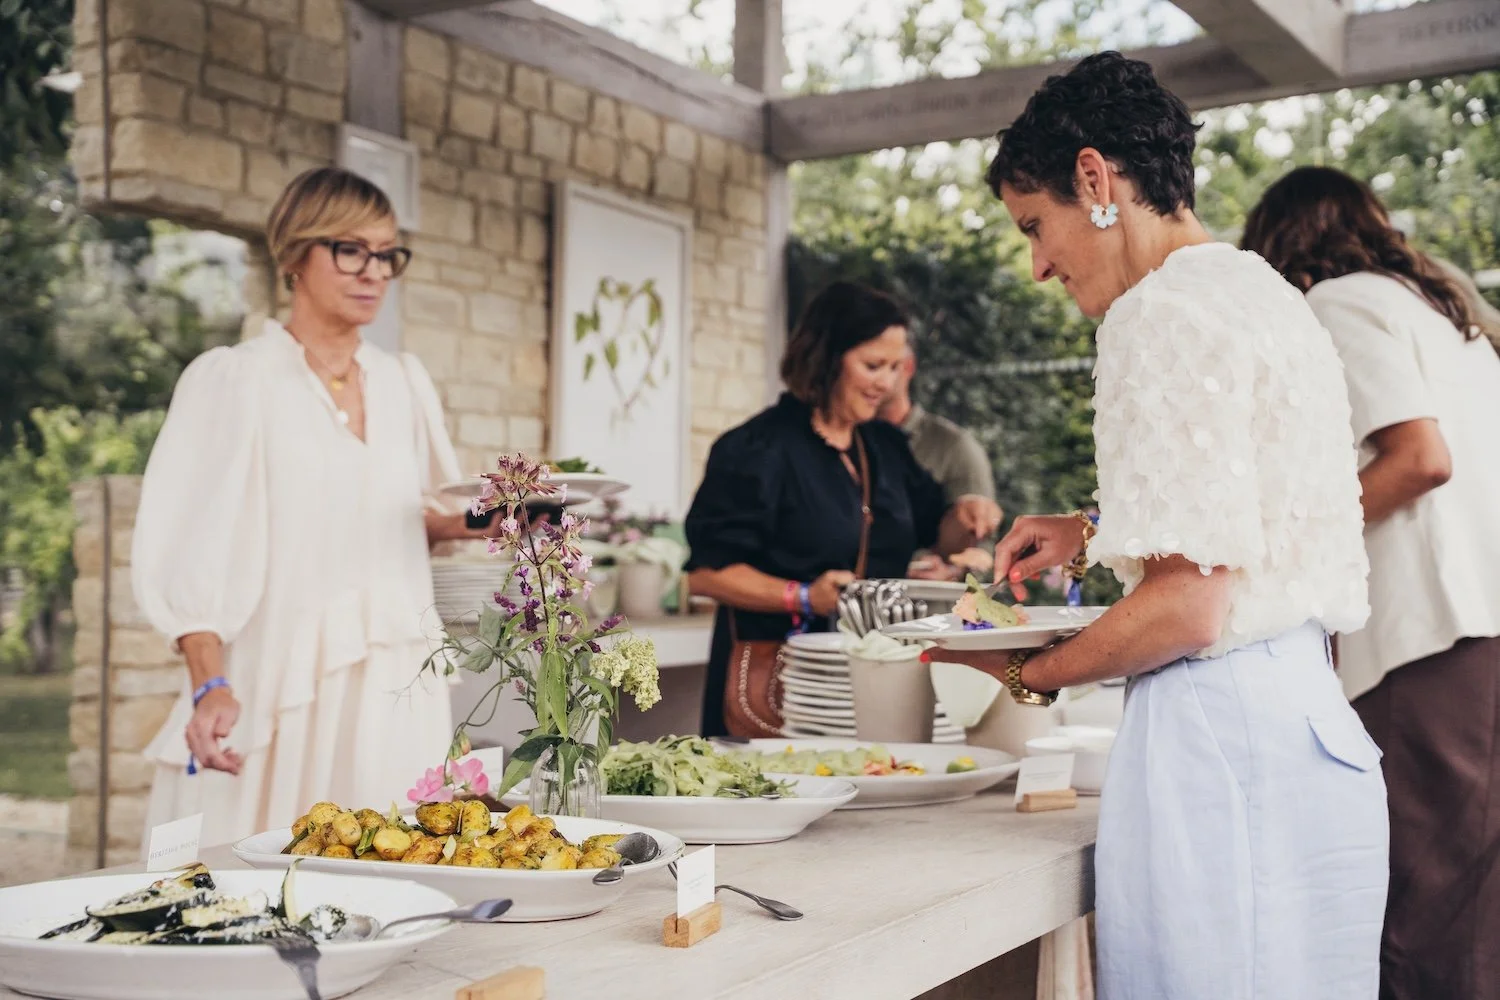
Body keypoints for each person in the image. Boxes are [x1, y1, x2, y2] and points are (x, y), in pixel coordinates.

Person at [927, 52, 1387, 999]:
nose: (1038, 263)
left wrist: (1024, 671)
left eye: (1035, 226)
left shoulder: (1156, 313)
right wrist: (1095, 532)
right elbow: (1256, 509)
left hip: (1217, 746)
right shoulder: (1266, 293)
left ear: (1096, 180)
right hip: (1314, 732)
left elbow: (1189, 609)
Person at [132, 167, 489, 846]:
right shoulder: (236, 380)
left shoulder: (403, 384)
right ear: (294, 254)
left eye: (386, 254)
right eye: (351, 249)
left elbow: (415, 520)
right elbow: (190, 551)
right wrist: (210, 687)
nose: (374, 271)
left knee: (396, 873)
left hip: (393, 682)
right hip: (281, 681)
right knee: (256, 888)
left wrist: (497, 517)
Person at [1243, 165, 1500, 1000]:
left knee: (1412, 917)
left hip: (1430, 640)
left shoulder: (1340, 302)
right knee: (1467, 914)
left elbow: (1419, 459)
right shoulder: (1446, 317)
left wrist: (1282, 537)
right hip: (1477, 634)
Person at [685, 281, 1002, 736]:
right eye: (873, 365)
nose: (887, 383)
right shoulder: (756, 449)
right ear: (827, 358)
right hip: (785, 680)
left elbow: (940, 533)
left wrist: (968, 514)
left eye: (895, 367)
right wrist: (803, 596)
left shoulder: (884, 447)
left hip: (877, 671)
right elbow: (705, 574)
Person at [878, 347, 999, 580]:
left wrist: (952, 571)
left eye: (888, 365)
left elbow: (982, 546)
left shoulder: (954, 446)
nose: (878, 379)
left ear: (908, 366)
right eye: (869, 365)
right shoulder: (844, 444)